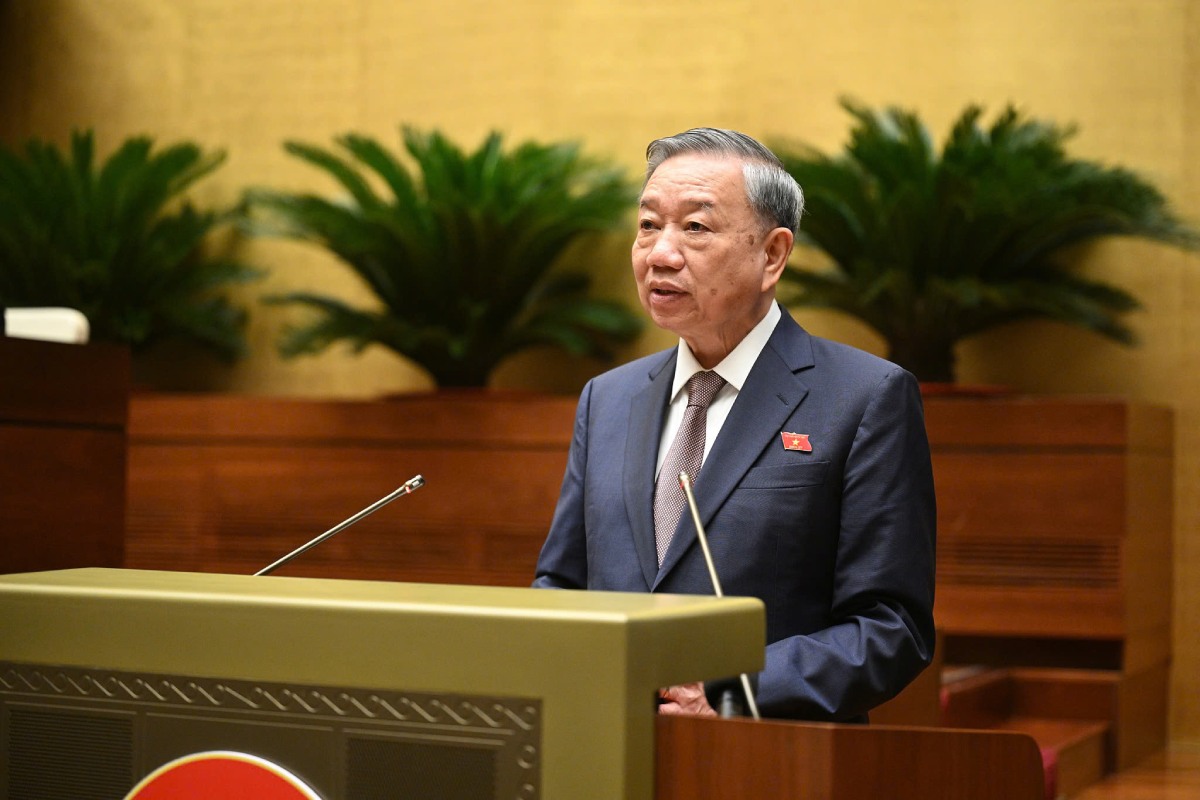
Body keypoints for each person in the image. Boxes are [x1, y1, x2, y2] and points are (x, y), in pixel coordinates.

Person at [532, 128, 936, 722]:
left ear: (772, 254)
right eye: (648, 226)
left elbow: (891, 628)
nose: (660, 254)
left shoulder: (865, 397)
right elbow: (560, 587)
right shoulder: (608, 399)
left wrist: (729, 692)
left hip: (768, 764)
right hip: (606, 749)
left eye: (695, 228)